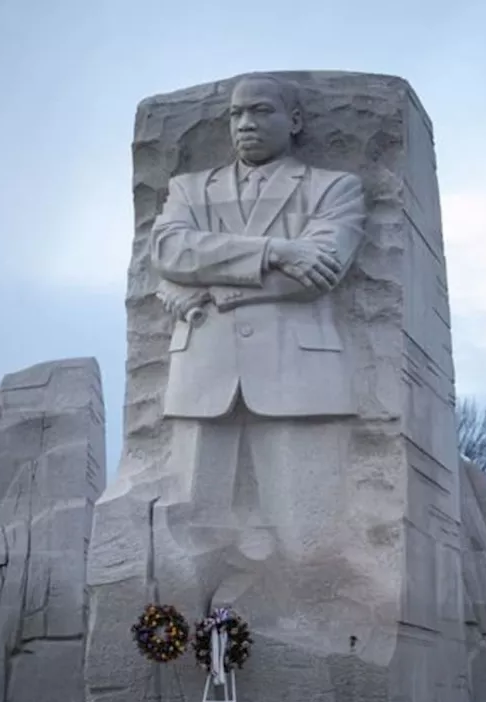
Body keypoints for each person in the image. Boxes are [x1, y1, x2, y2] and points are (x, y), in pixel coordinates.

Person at [148, 73, 367, 578]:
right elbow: (168, 252)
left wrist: (218, 286)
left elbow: (322, 271)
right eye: (236, 114)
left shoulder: (333, 187)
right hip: (203, 374)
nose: (245, 124)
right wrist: (276, 250)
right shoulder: (189, 189)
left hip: (298, 376)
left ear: (294, 121)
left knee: (308, 540)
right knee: (189, 539)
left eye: (261, 111)